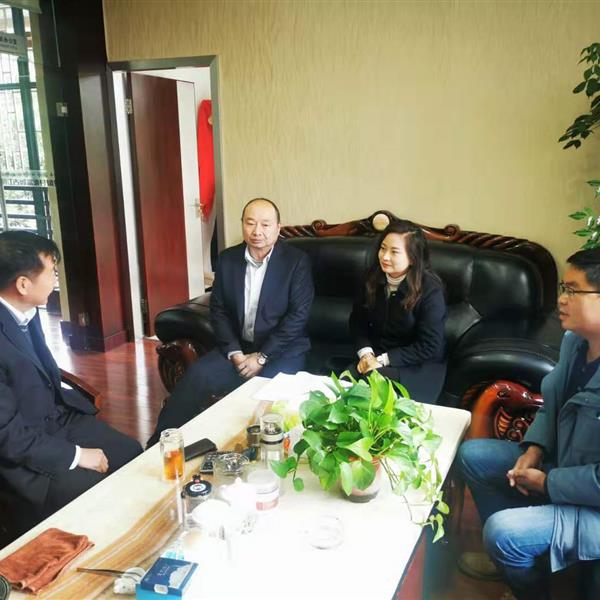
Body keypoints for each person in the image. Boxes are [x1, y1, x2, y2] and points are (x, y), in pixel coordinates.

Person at [457, 247, 600, 600]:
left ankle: (526, 583)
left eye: (572, 290)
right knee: (474, 455)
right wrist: (534, 449)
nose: (561, 299)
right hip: (565, 468)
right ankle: (515, 562)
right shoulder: (575, 343)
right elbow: (552, 405)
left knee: (503, 532)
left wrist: (549, 483)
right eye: (562, 288)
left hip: (594, 504)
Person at [0, 231, 142, 535]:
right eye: (52, 272)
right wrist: (76, 455)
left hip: (55, 419)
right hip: (19, 452)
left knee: (130, 451)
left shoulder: (25, 310)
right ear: (23, 284)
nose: (56, 280)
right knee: (90, 489)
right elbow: (8, 436)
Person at [148, 198, 314, 446]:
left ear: (278, 228)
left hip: (282, 351)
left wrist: (262, 357)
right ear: (242, 225)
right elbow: (219, 310)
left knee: (267, 405)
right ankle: (156, 446)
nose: (257, 231)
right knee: (196, 377)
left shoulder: (296, 262)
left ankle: (250, 454)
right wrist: (235, 352)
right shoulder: (228, 259)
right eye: (250, 223)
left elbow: (298, 317)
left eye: (265, 224)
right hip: (238, 350)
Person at [348, 220, 447, 403]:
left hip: (415, 364)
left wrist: (382, 360)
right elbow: (357, 322)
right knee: (344, 384)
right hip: (375, 355)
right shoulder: (371, 277)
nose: (384, 257)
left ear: (413, 258)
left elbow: (430, 346)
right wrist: (366, 354)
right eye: (383, 248)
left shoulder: (430, 290)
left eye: (394, 252)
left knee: (372, 389)